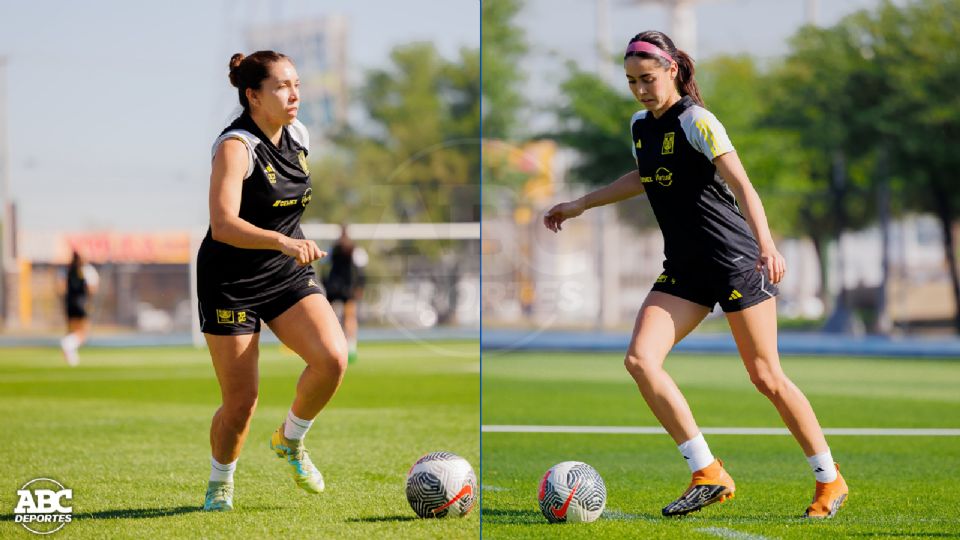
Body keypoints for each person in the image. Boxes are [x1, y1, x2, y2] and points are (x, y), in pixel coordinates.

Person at [543, 30, 848, 519]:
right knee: (641, 360)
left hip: (734, 261)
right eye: (631, 81)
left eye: (647, 78)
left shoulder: (698, 121)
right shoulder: (641, 125)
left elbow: (744, 187)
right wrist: (581, 203)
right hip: (684, 269)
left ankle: (829, 479)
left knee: (766, 377)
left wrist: (768, 245)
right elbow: (643, 175)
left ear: (672, 71)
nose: (640, 89)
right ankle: (708, 472)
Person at [197, 51, 348, 512]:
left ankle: (290, 439)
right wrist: (281, 243)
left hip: (284, 272)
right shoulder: (235, 147)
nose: (295, 93)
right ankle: (221, 481)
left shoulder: (298, 135)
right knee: (241, 404)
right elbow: (223, 224)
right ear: (253, 95)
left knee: (333, 359)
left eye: (297, 83)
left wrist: (288, 246)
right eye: (282, 86)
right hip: (230, 280)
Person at [322, 225, 366, 363]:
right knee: (349, 316)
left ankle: (331, 345)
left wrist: (325, 283)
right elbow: (360, 270)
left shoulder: (333, 248)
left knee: (333, 317)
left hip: (335, 286)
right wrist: (360, 286)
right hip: (347, 286)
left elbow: (324, 266)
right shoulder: (355, 249)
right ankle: (350, 347)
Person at [60, 250, 99, 366]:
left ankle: (72, 357)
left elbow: (61, 287)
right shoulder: (87, 270)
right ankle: (68, 344)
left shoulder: (65, 270)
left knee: (71, 330)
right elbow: (92, 289)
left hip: (69, 303)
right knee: (83, 332)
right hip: (81, 303)